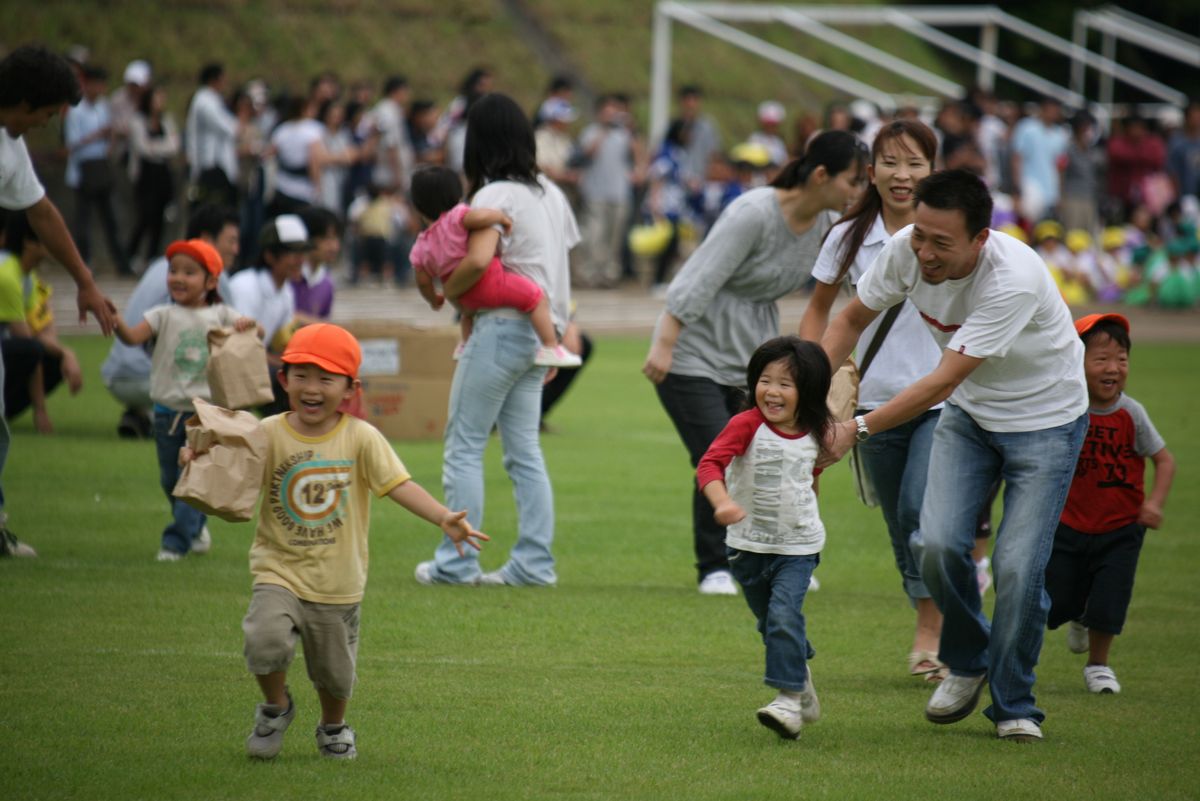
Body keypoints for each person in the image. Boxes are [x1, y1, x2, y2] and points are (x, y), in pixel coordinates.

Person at [819, 169, 1089, 742]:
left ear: (980, 239)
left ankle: (1014, 703)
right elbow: (847, 320)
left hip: (1046, 421)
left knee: (1017, 566)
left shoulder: (1010, 279)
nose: (924, 251)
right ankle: (969, 661)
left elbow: (941, 381)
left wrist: (854, 428)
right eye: (920, 234)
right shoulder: (903, 250)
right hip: (972, 415)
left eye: (941, 243)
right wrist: (808, 394)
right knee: (934, 544)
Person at [201, 323, 487, 760]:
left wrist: (443, 517)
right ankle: (275, 707)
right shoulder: (270, 432)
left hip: (338, 581)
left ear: (350, 389)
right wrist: (200, 455)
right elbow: (232, 472)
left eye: (326, 379)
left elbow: (398, 484)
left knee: (334, 675)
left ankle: (333, 726)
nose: (312, 388)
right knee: (264, 640)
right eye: (301, 376)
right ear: (283, 380)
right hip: (278, 568)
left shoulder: (360, 437)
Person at [642, 130, 866, 596]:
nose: (856, 191)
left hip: (752, 361)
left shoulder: (828, 223)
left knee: (766, 453)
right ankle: (715, 567)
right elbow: (697, 277)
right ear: (821, 175)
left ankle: (777, 560)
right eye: (852, 180)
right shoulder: (754, 213)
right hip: (692, 353)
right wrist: (665, 342)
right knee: (717, 453)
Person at [798, 120, 946, 678]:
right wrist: (810, 373)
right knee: (899, 528)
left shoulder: (948, 231)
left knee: (918, 514)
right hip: (873, 404)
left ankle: (930, 636)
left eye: (914, 164)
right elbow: (819, 309)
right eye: (890, 162)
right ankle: (939, 614)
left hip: (941, 396)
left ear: (933, 170)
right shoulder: (848, 237)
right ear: (871, 171)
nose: (902, 175)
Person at [413, 93, 578, 587]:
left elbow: (480, 262)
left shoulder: (491, 197)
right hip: (538, 328)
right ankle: (533, 565)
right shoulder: (552, 191)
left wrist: (447, 292)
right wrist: (558, 333)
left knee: (464, 445)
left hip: (501, 327)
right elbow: (559, 265)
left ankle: (456, 562)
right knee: (524, 452)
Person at [0, 44, 118, 558]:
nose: (48, 124)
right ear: (23, 101)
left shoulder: (10, 143)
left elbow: (42, 212)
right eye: (46, 114)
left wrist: (86, 282)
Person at [696, 336, 831, 739]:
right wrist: (721, 503)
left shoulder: (815, 431)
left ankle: (787, 702)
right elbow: (709, 465)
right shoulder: (746, 425)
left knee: (784, 617)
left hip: (797, 548)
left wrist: (807, 521)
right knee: (772, 625)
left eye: (785, 384)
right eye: (765, 380)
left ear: (806, 391)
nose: (772, 391)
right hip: (747, 547)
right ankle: (800, 676)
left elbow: (810, 481)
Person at [1046, 313, 1175, 695]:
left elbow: (1164, 459)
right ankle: (1078, 617)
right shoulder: (1067, 410)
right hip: (1068, 523)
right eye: (1100, 359)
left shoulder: (1131, 414)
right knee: (1058, 601)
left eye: (1121, 359)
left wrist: (1154, 503)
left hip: (1121, 527)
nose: (1113, 368)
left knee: (1111, 597)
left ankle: (1099, 666)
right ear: (1076, 362)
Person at [113, 238, 258, 560]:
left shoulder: (220, 313)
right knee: (170, 480)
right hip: (165, 412)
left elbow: (249, 331)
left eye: (189, 272)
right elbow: (133, 337)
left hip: (204, 416)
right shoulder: (162, 314)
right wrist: (117, 323)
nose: (178, 277)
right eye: (174, 270)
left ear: (210, 282)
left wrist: (247, 325)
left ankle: (175, 542)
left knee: (194, 478)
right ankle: (194, 523)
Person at [408, 165, 581, 368]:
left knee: (467, 314)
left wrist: (433, 299)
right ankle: (551, 346)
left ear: (418, 207)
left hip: (462, 295)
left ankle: (465, 344)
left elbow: (422, 279)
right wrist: (501, 218)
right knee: (536, 298)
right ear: (457, 195)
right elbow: (478, 218)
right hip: (489, 282)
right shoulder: (457, 216)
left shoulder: (422, 244)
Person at [101, 204, 238, 439]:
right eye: (231, 241)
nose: (236, 249)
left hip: (118, 375)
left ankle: (143, 416)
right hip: (153, 381)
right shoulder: (212, 275)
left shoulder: (162, 265)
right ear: (206, 239)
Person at [0, 213, 84, 433]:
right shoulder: (6, 276)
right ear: (29, 241)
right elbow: (29, 343)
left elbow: (39, 334)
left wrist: (64, 354)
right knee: (33, 350)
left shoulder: (26, 277)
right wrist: (40, 411)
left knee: (50, 358)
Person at [230, 215, 309, 416]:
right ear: (270, 256)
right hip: (234, 369)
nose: (300, 260)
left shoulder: (286, 291)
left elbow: (284, 341)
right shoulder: (245, 285)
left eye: (302, 253)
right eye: (293, 253)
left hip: (257, 367)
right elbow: (241, 346)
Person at [64, 64, 131, 275]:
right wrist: (97, 135)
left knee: (111, 219)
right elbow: (72, 143)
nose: (100, 88)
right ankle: (83, 262)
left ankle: (121, 263)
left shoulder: (102, 107)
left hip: (101, 167)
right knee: (83, 220)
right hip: (83, 169)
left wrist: (110, 138)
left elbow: (109, 136)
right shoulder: (76, 110)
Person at [576, 95, 635, 288]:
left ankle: (610, 274)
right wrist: (603, 132)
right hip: (595, 192)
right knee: (595, 235)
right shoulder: (590, 132)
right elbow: (587, 153)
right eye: (607, 111)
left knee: (614, 236)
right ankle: (591, 273)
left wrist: (630, 130)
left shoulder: (624, 134)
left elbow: (638, 155)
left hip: (619, 193)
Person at [125, 84, 180, 267]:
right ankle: (131, 254)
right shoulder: (138, 121)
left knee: (159, 218)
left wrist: (155, 146)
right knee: (145, 215)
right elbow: (143, 148)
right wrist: (161, 147)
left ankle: (152, 256)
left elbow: (174, 145)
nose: (160, 102)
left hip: (162, 176)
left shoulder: (166, 120)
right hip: (145, 176)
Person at [185, 63, 239, 211]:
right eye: (223, 78)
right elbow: (228, 127)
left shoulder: (212, 100)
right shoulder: (204, 102)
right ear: (213, 80)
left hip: (215, 164)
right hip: (209, 164)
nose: (225, 83)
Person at [293, 206, 339, 321]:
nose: (334, 247)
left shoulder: (327, 283)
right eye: (327, 239)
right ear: (308, 239)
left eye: (336, 239)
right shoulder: (288, 276)